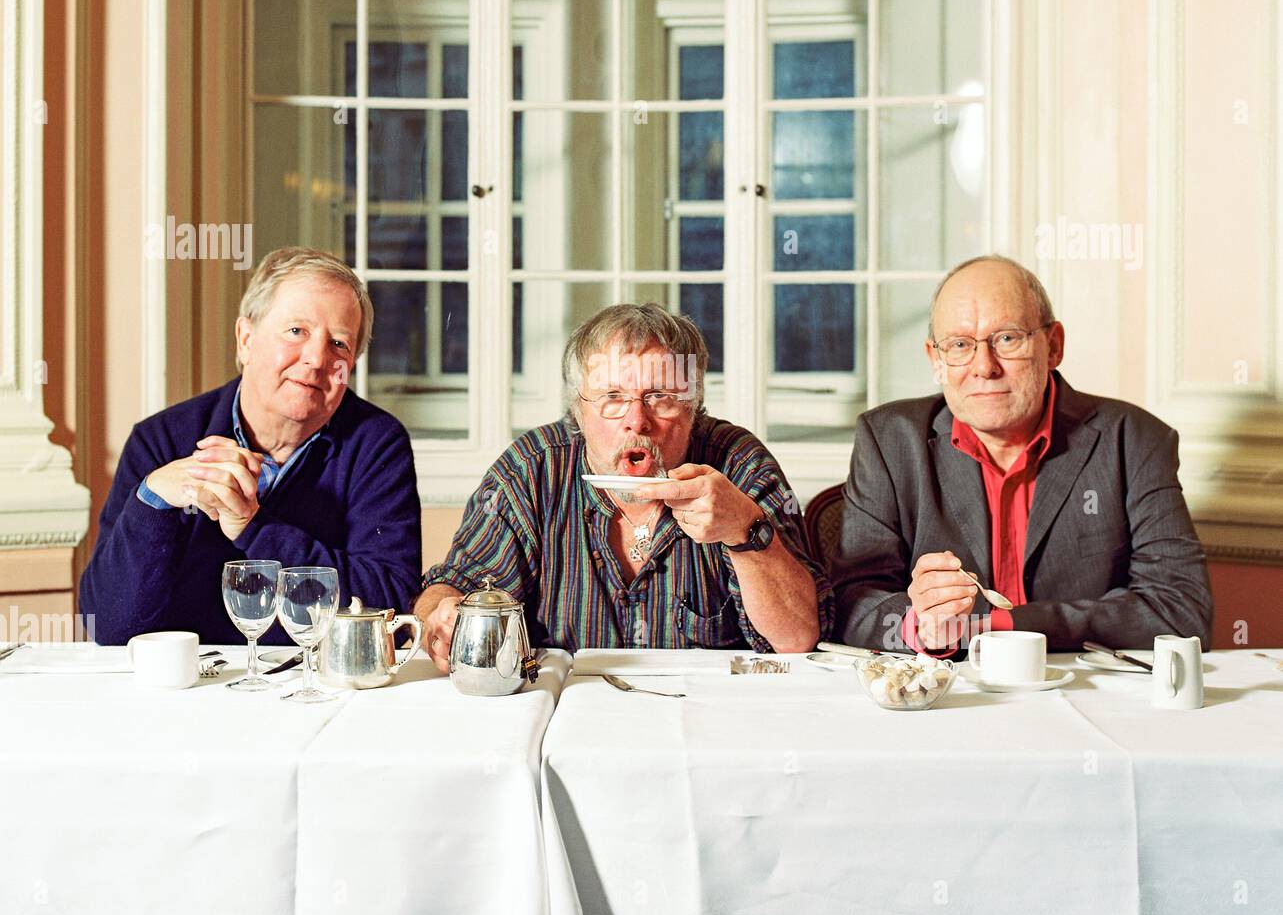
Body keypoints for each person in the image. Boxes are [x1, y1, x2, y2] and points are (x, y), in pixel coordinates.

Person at [830, 254, 1213, 655]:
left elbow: (1181, 612)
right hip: (948, 698)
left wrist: (1001, 625)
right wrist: (920, 628)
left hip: (1087, 694)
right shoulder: (889, 441)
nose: (984, 367)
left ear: (1054, 346)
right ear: (936, 360)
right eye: (959, 345)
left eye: (1008, 338)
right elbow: (851, 604)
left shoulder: (1133, 440)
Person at [416, 304, 832, 662]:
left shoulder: (739, 465)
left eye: (660, 397)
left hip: (707, 722)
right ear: (578, 410)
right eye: (613, 396)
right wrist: (445, 614)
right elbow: (451, 587)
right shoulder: (532, 469)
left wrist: (745, 532)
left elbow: (796, 639)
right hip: (569, 717)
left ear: (694, 408)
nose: (637, 419)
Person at [79, 248, 422, 644]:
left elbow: (390, 605)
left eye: (340, 344)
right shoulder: (161, 440)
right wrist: (151, 502)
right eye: (297, 331)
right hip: (192, 689)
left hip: (317, 683)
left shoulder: (377, 443)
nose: (316, 358)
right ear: (246, 339)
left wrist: (253, 528)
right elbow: (106, 625)